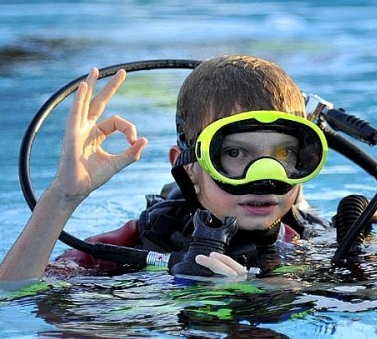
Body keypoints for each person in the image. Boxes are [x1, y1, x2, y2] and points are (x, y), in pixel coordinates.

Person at [0, 55, 329, 282]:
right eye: (233, 152)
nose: (264, 176)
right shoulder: (140, 244)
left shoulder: (319, 246)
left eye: (284, 153)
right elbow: (13, 296)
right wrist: (62, 198)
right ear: (186, 167)